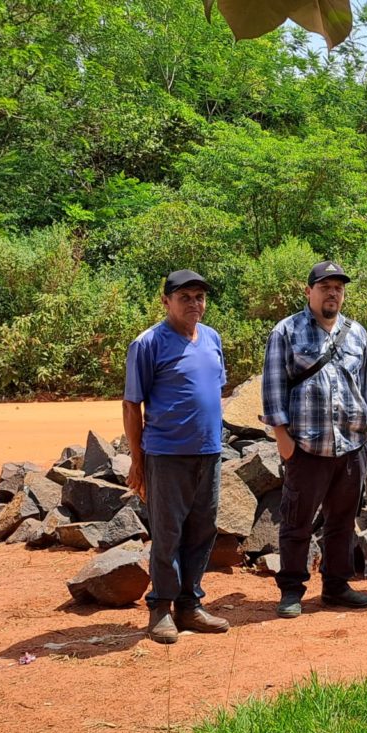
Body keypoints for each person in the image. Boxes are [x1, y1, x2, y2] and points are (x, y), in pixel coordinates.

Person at [261, 260, 367, 619]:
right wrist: (283, 437)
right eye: (325, 286)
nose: (333, 293)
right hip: (306, 446)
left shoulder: (356, 332)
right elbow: (273, 386)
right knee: (297, 521)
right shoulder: (287, 331)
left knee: (342, 522)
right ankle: (292, 590)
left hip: (350, 445)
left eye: (338, 288)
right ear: (308, 291)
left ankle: (336, 586)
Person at [123, 269, 231, 644]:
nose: (194, 304)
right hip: (166, 455)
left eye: (199, 297)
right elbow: (131, 404)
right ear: (166, 300)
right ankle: (160, 608)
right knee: (167, 534)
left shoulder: (212, 339)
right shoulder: (148, 343)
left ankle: (190, 604)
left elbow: (214, 392)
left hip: (209, 453)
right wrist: (138, 461)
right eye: (185, 297)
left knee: (203, 530)